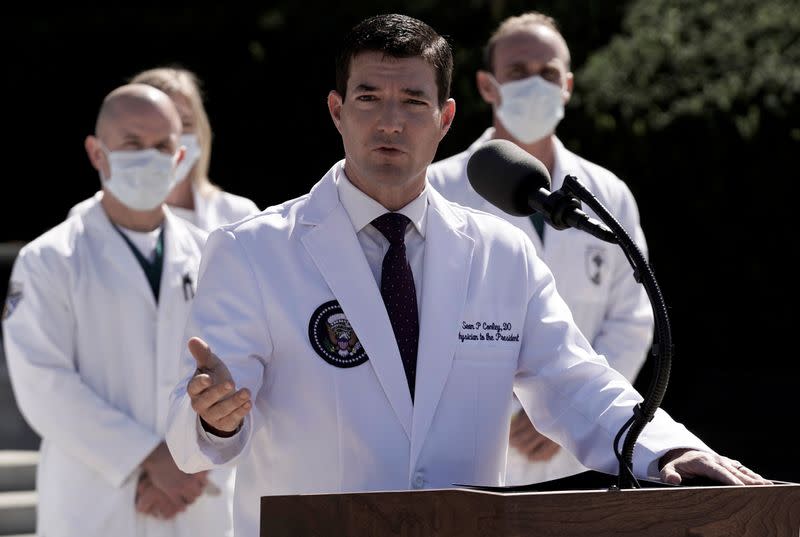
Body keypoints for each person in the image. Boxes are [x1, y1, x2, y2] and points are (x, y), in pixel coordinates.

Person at [164, 14, 768, 537]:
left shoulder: (501, 254)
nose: (390, 122)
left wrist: (672, 448)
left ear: (446, 117)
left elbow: (576, 382)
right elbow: (195, 436)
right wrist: (215, 418)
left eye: (413, 102)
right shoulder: (253, 251)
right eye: (369, 98)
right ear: (336, 111)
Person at [427, 11, 654, 485]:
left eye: (548, 73)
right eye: (517, 72)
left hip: (585, 458)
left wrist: (567, 410)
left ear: (568, 85)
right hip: (470, 457)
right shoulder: (434, 189)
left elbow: (632, 317)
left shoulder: (607, 194)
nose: (536, 83)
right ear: (488, 86)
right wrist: (523, 410)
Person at [2, 84, 233, 537]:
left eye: (163, 145)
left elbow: (239, 368)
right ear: (97, 153)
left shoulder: (214, 255)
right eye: (131, 143)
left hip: (197, 494)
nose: (149, 156)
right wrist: (151, 459)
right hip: (94, 501)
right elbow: (43, 384)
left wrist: (187, 469)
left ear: (181, 157)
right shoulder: (48, 259)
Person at [69, 66, 260, 231]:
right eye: (161, 124)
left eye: (185, 123)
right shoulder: (84, 219)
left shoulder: (241, 214)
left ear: (202, 132)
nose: (172, 137)